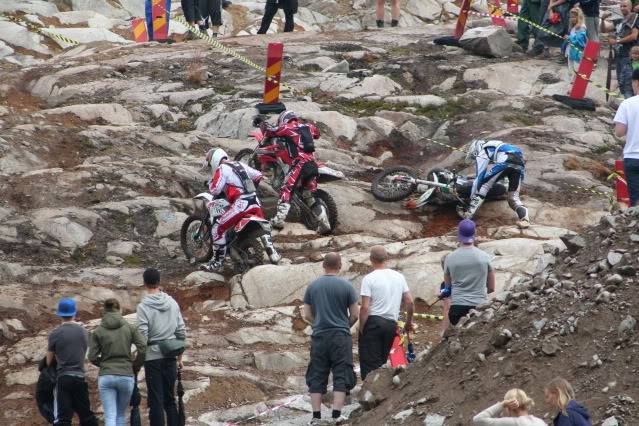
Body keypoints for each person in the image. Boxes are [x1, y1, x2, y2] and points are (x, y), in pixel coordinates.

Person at [200, 148, 279, 272]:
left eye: (210, 163)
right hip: (255, 201)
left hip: (241, 204)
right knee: (265, 229)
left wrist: (210, 183)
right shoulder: (239, 164)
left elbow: (215, 190)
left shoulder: (222, 168)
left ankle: (217, 262)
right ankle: (274, 255)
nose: (211, 167)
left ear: (215, 160)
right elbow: (258, 175)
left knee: (217, 228)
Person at [302, 252, 359, 425]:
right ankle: (336, 415)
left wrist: (318, 323)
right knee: (341, 373)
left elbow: (307, 315)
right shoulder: (347, 286)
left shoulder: (312, 286)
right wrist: (343, 326)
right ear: (340, 265)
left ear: (323, 265)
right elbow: (355, 315)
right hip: (341, 336)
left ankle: (316, 417)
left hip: (319, 335)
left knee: (317, 374)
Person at [137, 268, 186, 426]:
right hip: (171, 355)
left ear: (144, 283)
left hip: (152, 358)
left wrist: (139, 359)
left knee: (156, 401)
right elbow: (181, 332)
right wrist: (180, 359)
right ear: (159, 282)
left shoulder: (143, 307)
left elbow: (142, 337)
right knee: (170, 400)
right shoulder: (172, 303)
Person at [258, 111, 322, 229]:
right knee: (309, 194)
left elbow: (270, 131)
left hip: (299, 164)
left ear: (284, 119)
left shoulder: (287, 128)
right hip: (312, 164)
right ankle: (324, 223)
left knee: (286, 190)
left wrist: (262, 123)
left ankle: (279, 220)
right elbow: (317, 134)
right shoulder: (308, 126)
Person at [358, 245, 414, 380]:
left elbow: (365, 308)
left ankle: (369, 392)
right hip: (391, 325)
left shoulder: (369, 278)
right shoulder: (399, 277)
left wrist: (361, 327)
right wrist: (408, 323)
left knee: (369, 361)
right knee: (382, 360)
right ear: (387, 258)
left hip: (374, 322)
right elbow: (410, 302)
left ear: (371, 259)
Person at [88, 298, 147, 426]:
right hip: (126, 374)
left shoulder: (98, 331)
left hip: (106, 375)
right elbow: (143, 347)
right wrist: (135, 365)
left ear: (104, 310)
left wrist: (103, 363)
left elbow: (91, 356)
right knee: (121, 415)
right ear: (119, 309)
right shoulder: (130, 327)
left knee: (110, 416)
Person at [46, 298, 99, 426]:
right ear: (74, 313)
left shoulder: (55, 333)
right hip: (80, 377)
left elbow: (48, 361)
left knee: (64, 418)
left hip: (63, 378)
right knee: (86, 416)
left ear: (60, 314)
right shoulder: (83, 332)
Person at [461, 139, 530, 228]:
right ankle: (525, 219)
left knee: (483, 185)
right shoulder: (500, 145)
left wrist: (472, 197)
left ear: (476, 149)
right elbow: (518, 158)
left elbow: (479, 177)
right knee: (513, 198)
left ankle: (468, 214)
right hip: (519, 164)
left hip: (506, 161)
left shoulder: (484, 150)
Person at [444, 219, 495, 326]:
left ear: (459, 234)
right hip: (479, 308)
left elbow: (447, 289)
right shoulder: (485, 257)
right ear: (474, 233)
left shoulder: (449, 258)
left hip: (456, 310)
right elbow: (491, 288)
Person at [601, 0, 639, 99]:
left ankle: (632, 107)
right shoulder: (619, 20)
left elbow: (634, 36)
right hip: (619, 55)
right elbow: (603, 29)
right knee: (621, 81)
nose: (622, 8)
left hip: (630, 56)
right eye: (621, 6)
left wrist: (617, 41)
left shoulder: (635, 18)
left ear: (630, 7)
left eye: (625, 6)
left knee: (629, 83)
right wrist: (602, 19)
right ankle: (627, 105)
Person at [614, 69, 639, 207]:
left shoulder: (627, 104)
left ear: (636, 83)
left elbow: (619, 132)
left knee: (636, 200)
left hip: (633, 158)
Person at [473, 388, 546, 425]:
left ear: (509, 406)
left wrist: (502, 405)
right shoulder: (540, 422)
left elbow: (478, 419)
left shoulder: (514, 423)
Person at [564, 7, 588, 73]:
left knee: (577, 68)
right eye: (571, 17)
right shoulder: (573, 26)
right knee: (570, 68)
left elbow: (580, 40)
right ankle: (572, 82)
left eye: (574, 17)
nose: (572, 19)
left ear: (579, 17)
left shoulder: (582, 27)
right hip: (570, 50)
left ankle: (575, 81)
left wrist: (569, 37)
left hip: (577, 51)